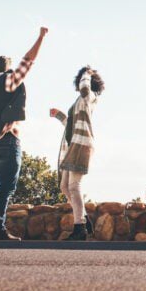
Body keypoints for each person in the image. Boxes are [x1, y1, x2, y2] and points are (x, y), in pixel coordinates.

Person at [0, 27, 48, 240]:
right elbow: (28, 60)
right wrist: (41, 37)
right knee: (6, 188)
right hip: (8, 140)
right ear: (6, 69)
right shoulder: (8, 81)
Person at [49, 66, 105, 241]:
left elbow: (85, 88)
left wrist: (87, 73)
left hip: (82, 145)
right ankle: (85, 219)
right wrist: (59, 116)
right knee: (64, 187)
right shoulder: (80, 100)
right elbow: (72, 125)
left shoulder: (90, 96)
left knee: (74, 186)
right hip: (73, 145)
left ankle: (79, 227)